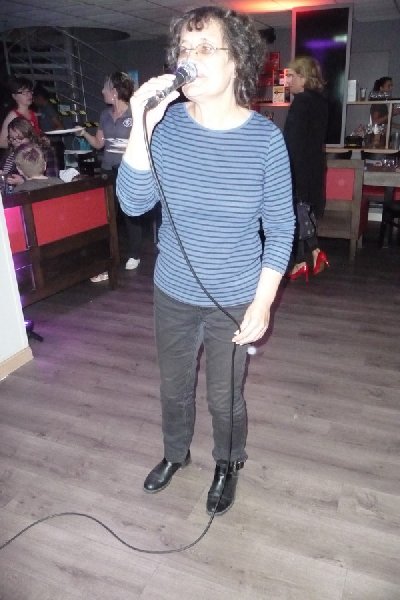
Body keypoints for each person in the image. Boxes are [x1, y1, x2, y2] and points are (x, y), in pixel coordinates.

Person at [116, 6, 295, 516]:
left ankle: (228, 461)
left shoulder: (265, 141)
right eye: (183, 50)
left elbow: (280, 229)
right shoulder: (167, 127)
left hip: (233, 298)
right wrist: (142, 126)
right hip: (173, 292)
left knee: (224, 397)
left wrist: (262, 303)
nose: (188, 59)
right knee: (173, 389)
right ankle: (175, 454)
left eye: (203, 48)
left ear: (237, 59)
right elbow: (133, 204)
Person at [75, 71, 142, 282]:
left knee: (130, 213)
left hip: (128, 170)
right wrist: (84, 134)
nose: (102, 91)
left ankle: (135, 253)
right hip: (108, 170)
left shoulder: (135, 113)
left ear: (114, 91)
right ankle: (110, 256)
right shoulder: (104, 115)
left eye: (105, 87)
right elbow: (99, 144)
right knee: (108, 214)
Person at [284, 56, 329, 282]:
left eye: (292, 76)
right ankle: (311, 254)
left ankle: (303, 259)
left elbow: (292, 140)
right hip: (314, 165)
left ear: (303, 78)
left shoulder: (301, 102)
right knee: (303, 210)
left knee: (296, 211)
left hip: (298, 165)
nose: (288, 81)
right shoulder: (321, 102)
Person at [0, 117, 58, 190]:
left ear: (29, 136)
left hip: (29, 193)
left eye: (20, 138)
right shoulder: (10, 153)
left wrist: (23, 182)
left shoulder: (43, 152)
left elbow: (51, 183)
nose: (16, 141)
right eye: (12, 138)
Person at [0, 77, 41, 148]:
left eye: (30, 91)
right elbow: (1, 142)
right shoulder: (13, 115)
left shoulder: (33, 114)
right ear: (14, 96)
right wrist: (19, 144)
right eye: (24, 92)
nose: (29, 95)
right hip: (22, 154)